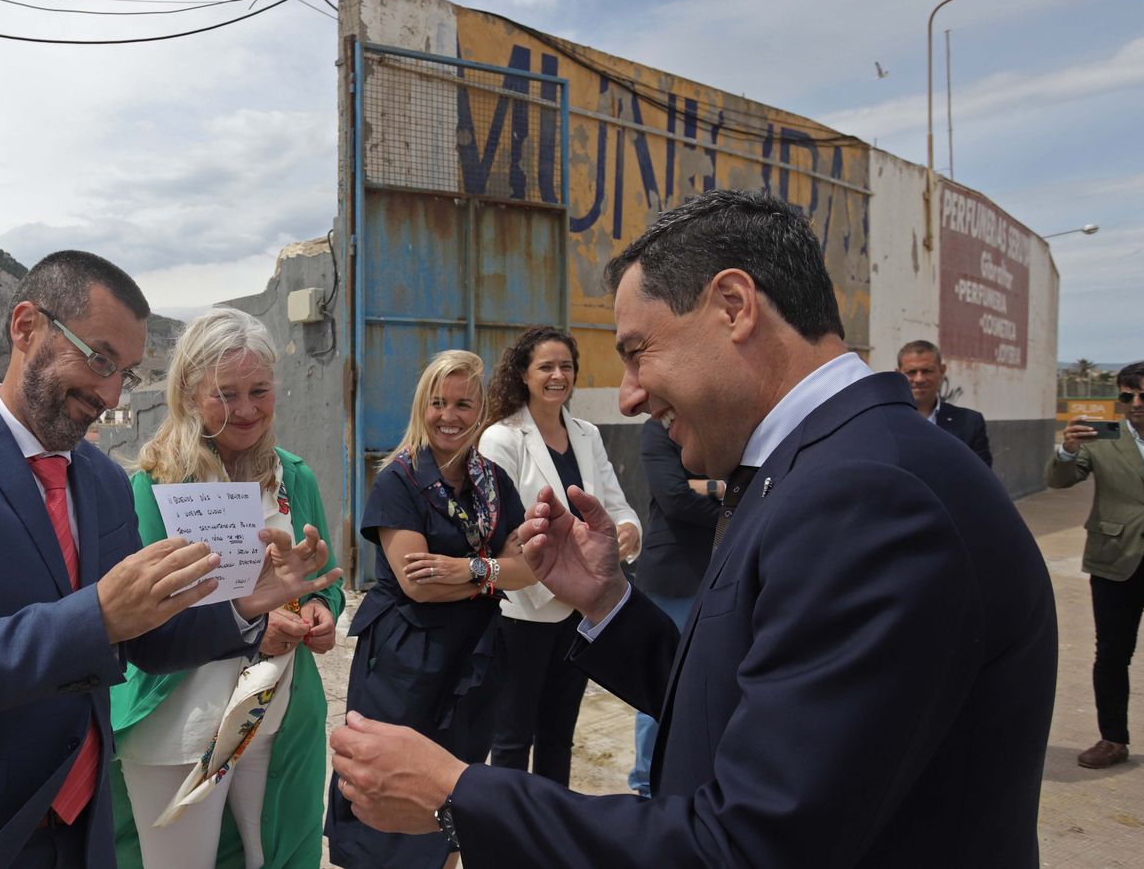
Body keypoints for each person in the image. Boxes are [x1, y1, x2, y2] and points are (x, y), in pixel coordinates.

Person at [330, 190, 1059, 866]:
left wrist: (459, 796)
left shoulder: (869, 495)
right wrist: (608, 603)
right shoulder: (829, 465)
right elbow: (748, 696)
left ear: (734, 305)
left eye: (637, 350)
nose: (630, 391)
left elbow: (745, 844)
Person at [0, 251, 339, 869]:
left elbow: (146, 641)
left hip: (82, 829)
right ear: (26, 327)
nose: (109, 392)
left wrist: (243, 609)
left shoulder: (102, 480)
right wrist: (98, 616)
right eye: (99, 359)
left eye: (126, 374)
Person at [108, 307, 344, 868]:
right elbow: (143, 612)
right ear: (189, 394)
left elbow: (319, 581)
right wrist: (254, 624)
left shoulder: (295, 477)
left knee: (276, 856)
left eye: (259, 390)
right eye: (226, 394)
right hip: (180, 722)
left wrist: (318, 609)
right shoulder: (156, 485)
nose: (246, 409)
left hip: (275, 714)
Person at [326, 349, 536, 869]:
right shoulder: (399, 479)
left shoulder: (493, 483)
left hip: (474, 657)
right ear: (423, 406)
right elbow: (418, 585)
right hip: (405, 658)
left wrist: (467, 571)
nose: (450, 415)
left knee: (453, 782)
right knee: (384, 776)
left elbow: (531, 567)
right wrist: (494, 570)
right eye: (438, 402)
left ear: (481, 409)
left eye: (464, 403)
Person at [477, 326, 640, 786]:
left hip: (579, 609)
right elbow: (496, 530)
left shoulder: (587, 434)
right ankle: (506, 835)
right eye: (546, 366)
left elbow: (616, 503)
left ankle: (550, 833)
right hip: (524, 609)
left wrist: (628, 529)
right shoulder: (501, 439)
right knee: (512, 737)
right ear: (523, 375)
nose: (557, 375)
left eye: (565, 366)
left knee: (558, 735)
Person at [1048, 359, 1144, 784]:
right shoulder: (1102, 437)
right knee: (1111, 654)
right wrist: (1067, 451)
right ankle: (1112, 738)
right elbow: (1059, 481)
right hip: (1114, 560)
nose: (1135, 404)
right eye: (1126, 396)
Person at [624, 417, 716, 797]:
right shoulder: (657, 430)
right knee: (661, 688)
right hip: (673, 577)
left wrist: (706, 487)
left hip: (717, 572)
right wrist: (733, 501)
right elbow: (675, 497)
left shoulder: (721, 423)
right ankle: (647, 787)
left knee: (708, 684)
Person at [897, 339, 992, 466]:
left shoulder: (969, 423)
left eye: (927, 371)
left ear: (941, 371)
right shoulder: (884, 422)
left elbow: (983, 478)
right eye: (911, 372)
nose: (919, 379)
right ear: (898, 374)